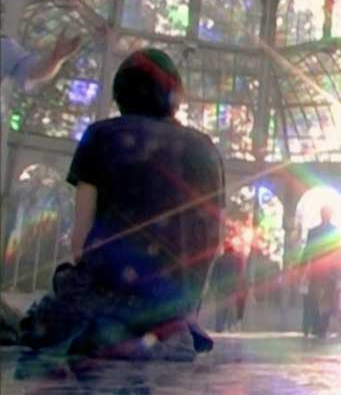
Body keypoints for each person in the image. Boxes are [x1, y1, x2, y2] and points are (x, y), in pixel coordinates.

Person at [18, 48, 225, 361]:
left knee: (35, 321)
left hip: (104, 302)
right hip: (174, 312)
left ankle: (112, 331)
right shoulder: (206, 148)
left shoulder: (99, 135)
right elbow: (213, 243)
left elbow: (80, 244)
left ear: (120, 92)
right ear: (174, 95)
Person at [301, 206, 341, 339]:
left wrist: (303, 266)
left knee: (318, 298)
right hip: (326, 270)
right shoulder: (335, 231)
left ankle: (318, 326)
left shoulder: (315, 232)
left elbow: (308, 251)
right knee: (323, 299)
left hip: (321, 269)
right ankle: (320, 326)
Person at [0, 31, 83, 89]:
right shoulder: (6, 46)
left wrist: (56, 58)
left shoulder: (6, 46)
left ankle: (57, 56)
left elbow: (31, 70)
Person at [210, 242, 246, 333]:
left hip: (221, 288)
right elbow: (240, 274)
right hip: (233, 287)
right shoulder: (237, 259)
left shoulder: (219, 260)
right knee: (231, 308)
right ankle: (231, 326)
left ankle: (219, 327)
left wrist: (212, 287)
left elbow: (214, 274)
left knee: (220, 308)